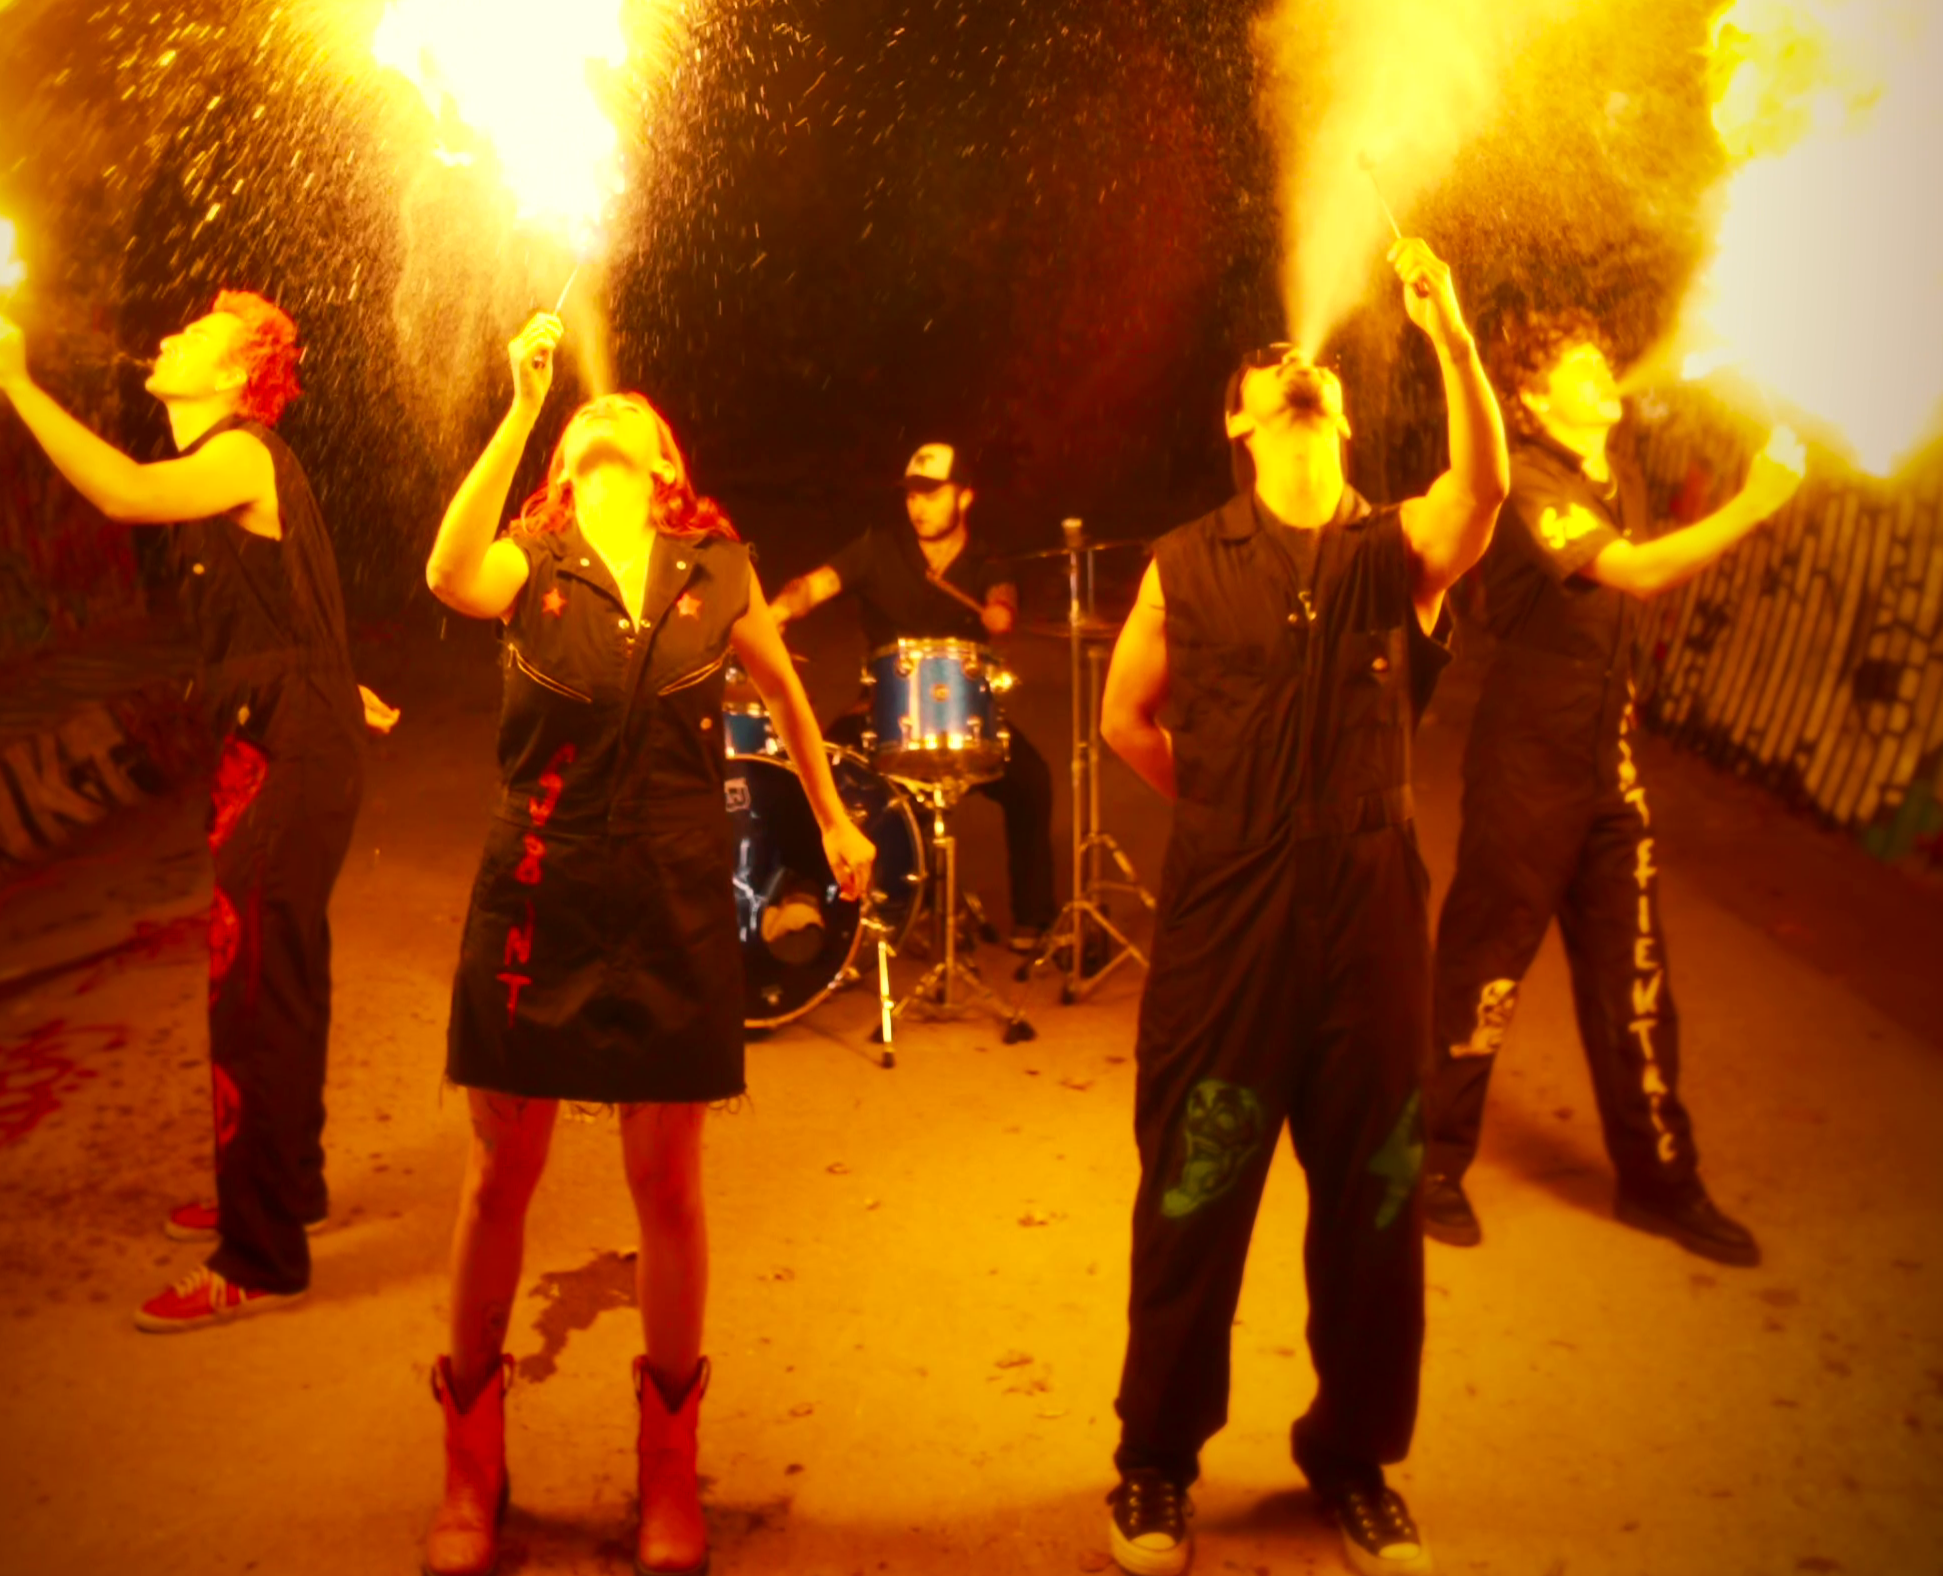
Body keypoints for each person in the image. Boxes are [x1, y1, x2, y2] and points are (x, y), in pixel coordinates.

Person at [419, 311, 874, 1576]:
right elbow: (447, 575)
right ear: (563, 466)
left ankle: (669, 1471)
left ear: (668, 465)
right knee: (498, 1175)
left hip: (674, 889)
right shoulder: (529, 558)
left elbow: (783, 690)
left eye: (629, 414)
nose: (606, 411)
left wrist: (833, 816)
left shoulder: (714, 567)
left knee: (668, 1184)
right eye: (587, 418)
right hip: (538, 884)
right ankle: (471, 1468)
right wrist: (522, 408)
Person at [1096, 238, 1508, 1576]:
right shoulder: (1183, 562)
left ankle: (1355, 1460)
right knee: (1196, 1192)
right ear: (1240, 424)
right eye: (1268, 370)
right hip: (1230, 915)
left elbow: (1483, 491)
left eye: (1310, 366)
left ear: (1339, 417)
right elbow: (1124, 719)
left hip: (1369, 910)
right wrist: (1228, 807)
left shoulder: (1395, 550)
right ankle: (1156, 1465)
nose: (1295, 370)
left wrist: (1449, 336)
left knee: (1377, 1203)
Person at [0, 293, 395, 1331]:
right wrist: (335, 681)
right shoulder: (232, 470)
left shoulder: (243, 452)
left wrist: (16, 380)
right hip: (288, 738)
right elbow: (294, 600)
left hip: (292, 750)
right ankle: (283, 1189)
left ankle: (258, 1257)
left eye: (197, 337)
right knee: (279, 979)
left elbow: (122, 493)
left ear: (236, 377)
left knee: (251, 991)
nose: (168, 339)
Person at [1421, 316, 1805, 1266]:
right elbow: (1636, 575)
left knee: (1635, 981)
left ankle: (1659, 1182)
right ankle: (1423, 1165)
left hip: (1606, 769)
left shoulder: (1615, 473)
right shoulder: (1526, 479)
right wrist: (1757, 501)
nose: (1603, 373)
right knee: (1483, 972)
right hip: (1524, 766)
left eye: (1602, 360)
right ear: (1532, 398)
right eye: (1578, 366)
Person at [769, 441, 1059, 950]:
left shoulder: (985, 559)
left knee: (1032, 782)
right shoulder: (878, 549)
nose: (918, 506)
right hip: (882, 712)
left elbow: (1002, 593)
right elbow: (815, 585)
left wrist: (1002, 611)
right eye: (911, 495)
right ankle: (804, 902)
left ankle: (1034, 920)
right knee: (817, 770)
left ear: (964, 497)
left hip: (965, 718)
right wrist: (778, 612)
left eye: (932, 493)